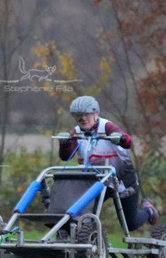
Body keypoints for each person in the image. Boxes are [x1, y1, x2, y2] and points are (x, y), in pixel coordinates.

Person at [57, 95, 159, 231]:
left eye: (86, 114)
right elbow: (66, 157)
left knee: (130, 224)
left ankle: (149, 211)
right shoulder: (75, 133)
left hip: (122, 180)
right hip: (96, 182)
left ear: (95, 113)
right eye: (77, 115)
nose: (82, 118)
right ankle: (86, 239)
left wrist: (120, 138)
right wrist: (64, 144)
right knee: (79, 213)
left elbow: (128, 142)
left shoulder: (106, 126)